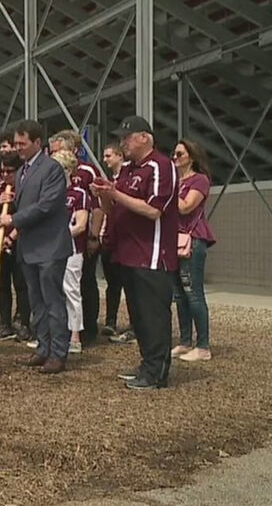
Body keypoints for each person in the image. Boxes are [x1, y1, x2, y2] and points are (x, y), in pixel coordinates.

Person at [92, 115, 179, 390]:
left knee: (153, 315)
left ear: (145, 137)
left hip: (152, 254)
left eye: (127, 137)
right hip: (127, 252)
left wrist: (116, 194)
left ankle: (157, 372)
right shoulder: (128, 169)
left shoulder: (161, 166)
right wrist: (105, 194)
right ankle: (147, 363)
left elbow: (154, 210)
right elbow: (112, 209)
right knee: (138, 315)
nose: (123, 143)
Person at [0, 119, 73, 374]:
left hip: (50, 247)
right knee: (36, 302)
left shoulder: (52, 169)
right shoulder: (21, 172)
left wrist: (14, 219)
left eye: (22, 143)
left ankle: (58, 353)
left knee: (53, 302)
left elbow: (46, 205)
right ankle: (43, 348)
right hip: (29, 248)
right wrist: (10, 203)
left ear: (37, 143)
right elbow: (27, 205)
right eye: (16, 143)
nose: (17, 148)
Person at [50, 130, 102, 345]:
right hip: (55, 247)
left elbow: (97, 206)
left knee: (83, 284)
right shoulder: (52, 189)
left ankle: (84, 331)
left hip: (77, 244)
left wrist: (94, 235)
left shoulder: (87, 173)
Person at [170, 139, 215, 362]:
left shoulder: (200, 180)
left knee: (193, 292)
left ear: (192, 157)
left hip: (193, 238)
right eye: (174, 155)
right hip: (174, 239)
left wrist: (170, 191)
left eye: (180, 154)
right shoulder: (177, 181)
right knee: (179, 294)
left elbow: (186, 206)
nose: (175, 158)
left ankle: (203, 345)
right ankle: (186, 341)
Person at [51, 149, 91, 354]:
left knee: (71, 290)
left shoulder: (79, 194)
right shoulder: (50, 193)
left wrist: (60, 235)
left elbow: (81, 225)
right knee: (52, 290)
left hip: (71, 250)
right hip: (50, 249)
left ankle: (75, 335)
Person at [0, 154, 31, 342]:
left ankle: (24, 322)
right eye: (2, 171)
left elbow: (27, 215)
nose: (5, 175)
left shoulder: (25, 189)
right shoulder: (0, 189)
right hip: (1, 242)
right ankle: (5, 323)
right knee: (3, 285)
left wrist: (12, 236)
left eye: (9, 171)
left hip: (20, 241)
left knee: (21, 284)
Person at [100, 143, 128, 340]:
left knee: (130, 283)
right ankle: (110, 321)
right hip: (110, 238)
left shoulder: (129, 178)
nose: (105, 160)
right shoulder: (111, 181)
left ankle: (136, 325)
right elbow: (106, 210)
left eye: (108, 156)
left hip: (125, 239)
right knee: (113, 283)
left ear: (119, 155)